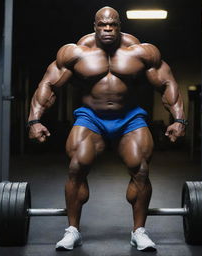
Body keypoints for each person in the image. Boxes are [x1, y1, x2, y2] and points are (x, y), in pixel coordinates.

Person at [27, 6, 187, 251]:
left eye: (113, 25)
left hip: (129, 118)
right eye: (103, 25)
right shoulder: (76, 52)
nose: (108, 29)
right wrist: (35, 120)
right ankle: (73, 230)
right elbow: (49, 84)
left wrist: (178, 118)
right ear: (95, 26)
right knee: (76, 166)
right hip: (92, 118)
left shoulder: (141, 51)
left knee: (141, 169)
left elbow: (167, 83)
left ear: (119, 26)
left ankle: (139, 231)